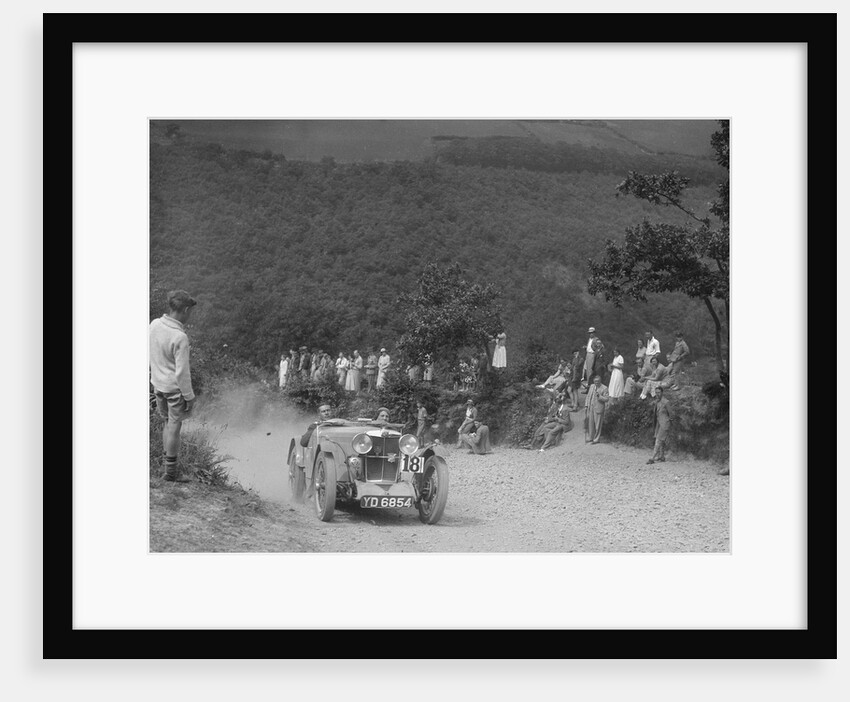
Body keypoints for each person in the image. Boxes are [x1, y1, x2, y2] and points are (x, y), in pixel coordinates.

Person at [149, 289, 198, 482]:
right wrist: (189, 396)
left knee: (165, 424)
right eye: (190, 311)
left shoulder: (154, 325)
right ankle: (171, 473)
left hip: (158, 385)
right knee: (175, 427)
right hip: (174, 389)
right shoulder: (180, 337)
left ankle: (165, 466)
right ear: (185, 309)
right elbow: (182, 372)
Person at [647, 387, 671, 465]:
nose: (657, 394)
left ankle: (652, 458)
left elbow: (671, 414)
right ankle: (662, 456)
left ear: (662, 393)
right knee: (661, 440)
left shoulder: (666, 402)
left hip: (664, 423)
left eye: (659, 392)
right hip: (658, 423)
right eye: (656, 392)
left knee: (658, 440)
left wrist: (668, 422)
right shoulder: (657, 402)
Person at [584, 374, 609, 444]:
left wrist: (600, 397)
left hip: (599, 407)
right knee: (590, 423)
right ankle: (590, 437)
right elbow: (588, 396)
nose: (596, 383)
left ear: (600, 381)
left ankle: (596, 438)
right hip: (591, 407)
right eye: (595, 382)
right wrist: (586, 405)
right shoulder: (592, 386)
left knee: (598, 424)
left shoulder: (604, 388)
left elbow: (607, 399)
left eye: (598, 382)